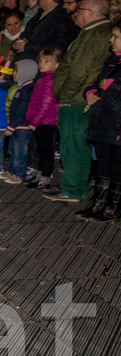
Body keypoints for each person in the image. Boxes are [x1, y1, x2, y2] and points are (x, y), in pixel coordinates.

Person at [46, 0, 113, 202]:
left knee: (73, 146)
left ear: (91, 13)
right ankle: (78, 187)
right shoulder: (95, 32)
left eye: (80, 10)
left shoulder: (94, 34)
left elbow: (79, 71)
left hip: (76, 99)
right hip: (80, 97)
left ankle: (72, 189)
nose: (76, 14)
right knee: (79, 146)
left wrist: (65, 95)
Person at [78, 22, 121, 220]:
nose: (111, 40)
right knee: (102, 163)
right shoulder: (112, 61)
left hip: (117, 124)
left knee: (117, 165)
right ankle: (98, 204)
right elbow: (98, 83)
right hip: (103, 119)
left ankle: (112, 207)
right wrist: (91, 93)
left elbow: (113, 87)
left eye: (116, 36)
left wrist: (113, 86)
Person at [25, 49, 61, 191]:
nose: (42, 64)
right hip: (42, 121)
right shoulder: (43, 78)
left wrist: (35, 121)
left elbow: (45, 104)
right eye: (41, 61)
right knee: (41, 150)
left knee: (46, 151)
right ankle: (40, 176)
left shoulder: (50, 81)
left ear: (56, 65)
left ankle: (45, 178)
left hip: (46, 121)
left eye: (47, 61)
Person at [14, 0, 79, 60]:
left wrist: (27, 46)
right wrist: (16, 44)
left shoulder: (61, 19)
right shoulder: (39, 14)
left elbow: (57, 47)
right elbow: (25, 35)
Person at [2, 60, 38, 184]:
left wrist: (11, 126)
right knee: (13, 149)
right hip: (17, 125)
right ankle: (11, 170)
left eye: (16, 71)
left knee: (20, 151)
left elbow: (21, 110)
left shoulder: (28, 90)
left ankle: (19, 174)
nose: (14, 74)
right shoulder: (21, 88)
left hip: (22, 126)